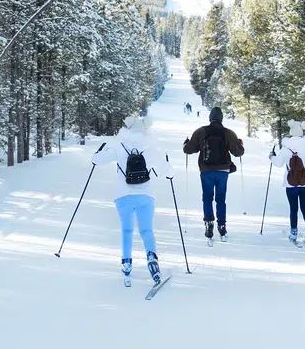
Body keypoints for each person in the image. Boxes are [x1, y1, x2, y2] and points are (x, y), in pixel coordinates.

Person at [92, 112, 173, 286]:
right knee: (146, 230)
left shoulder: (119, 146)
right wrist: (168, 167)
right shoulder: (151, 148)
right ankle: (152, 259)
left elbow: (96, 160)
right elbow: (169, 172)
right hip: (146, 195)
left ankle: (127, 264)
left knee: (127, 230)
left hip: (123, 195)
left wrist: (98, 152)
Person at [183, 105, 245, 240]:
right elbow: (238, 152)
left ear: (210, 118)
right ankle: (222, 225)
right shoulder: (229, 133)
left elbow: (189, 149)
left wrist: (185, 144)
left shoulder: (201, 131)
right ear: (221, 118)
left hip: (206, 170)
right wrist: (240, 144)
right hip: (223, 171)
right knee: (221, 199)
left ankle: (209, 222)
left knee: (207, 197)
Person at [270, 120, 305, 243]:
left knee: (293, 208)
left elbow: (278, 163)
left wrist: (271, 156)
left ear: (291, 132)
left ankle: (293, 232)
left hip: (290, 184)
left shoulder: (286, 147)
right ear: (302, 131)